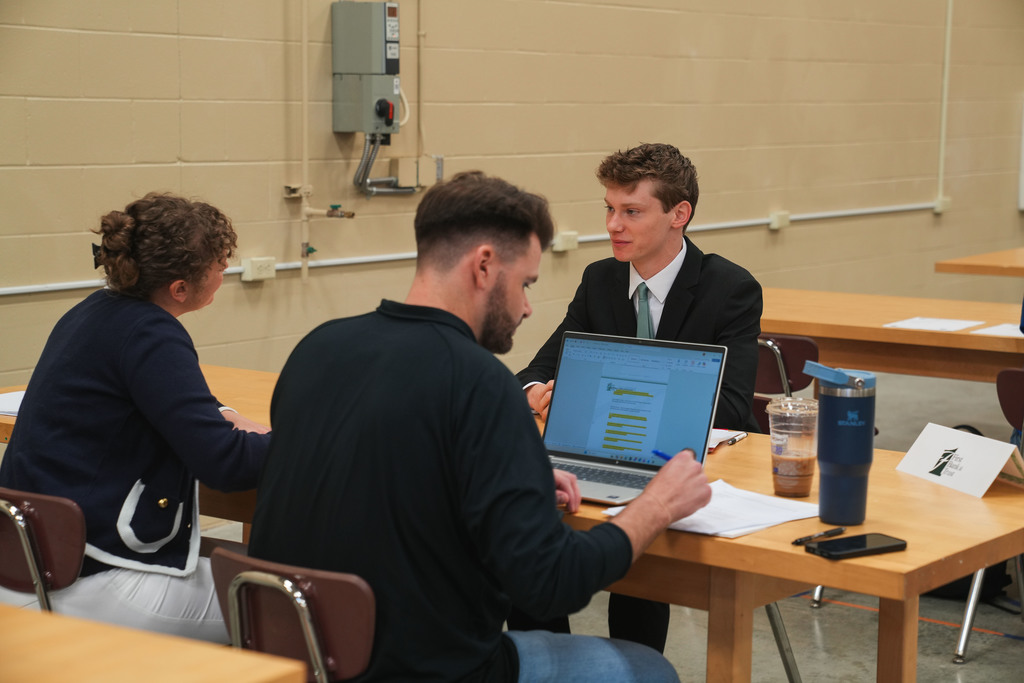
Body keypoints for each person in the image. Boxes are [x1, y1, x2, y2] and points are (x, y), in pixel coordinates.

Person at [247, 171, 712, 682]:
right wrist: (656, 504)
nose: (527, 307)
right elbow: (552, 584)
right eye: (525, 284)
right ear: (485, 265)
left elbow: (396, 470)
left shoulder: (317, 348)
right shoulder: (479, 382)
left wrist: (512, 476)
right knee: (650, 669)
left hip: (298, 658)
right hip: (427, 669)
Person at [509, 143, 762, 651]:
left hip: (686, 464)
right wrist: (540, 395)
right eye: (609, 209)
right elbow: (534, 372)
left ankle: (636, 663)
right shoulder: (600, 280)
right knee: (526, 523)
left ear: (678, 214)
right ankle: (546, 662)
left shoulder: (729, 288)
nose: (613, 226)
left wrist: (606, 400)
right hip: (603, 452)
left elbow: (733, 409)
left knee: (640, 548)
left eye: (632, 212)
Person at [0, 192, 270, 642]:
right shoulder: (152, 332)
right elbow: (225, 464)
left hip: (31, 562)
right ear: (180, 289)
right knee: (304, 606)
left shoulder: (97, 310)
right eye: (219, 265)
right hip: (91, 580)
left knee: (249, 563)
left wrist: (223, 413)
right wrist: (305, 440)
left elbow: (161, 391)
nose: (226, 270)